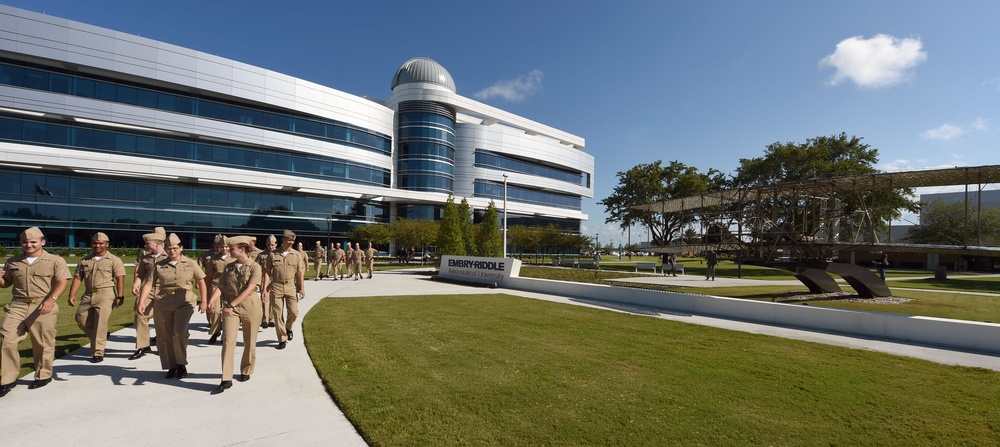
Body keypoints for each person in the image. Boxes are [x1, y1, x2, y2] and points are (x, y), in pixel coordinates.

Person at [0, 227, 71, 397]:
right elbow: (6, 283)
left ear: (42, 242)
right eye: (25, 242)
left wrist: (51, 300)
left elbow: (62, 282)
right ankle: (7, 379)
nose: (29, 245)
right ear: (21, 243)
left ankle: (43, 375)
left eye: (33, 242)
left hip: (42, 305)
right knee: (6, 339)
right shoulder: (13, 261)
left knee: (42, 342)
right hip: (17, 305)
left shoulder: (55, 260)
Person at [137, 233, 208, 379]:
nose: (172, 251)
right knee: (164, 336)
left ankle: (181, 363)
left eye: (175, 248)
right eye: (169, 248)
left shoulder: (190, 263)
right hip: (163, 301)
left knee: (179, 333)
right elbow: (149, 283)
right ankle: (171, 365)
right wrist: (141, 301)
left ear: (181, 248)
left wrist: (204, 301)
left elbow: (201, 281)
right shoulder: (159, 265)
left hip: (185, 301)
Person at [209, 236, 263, 394]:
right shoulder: (229, 267)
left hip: (250, 306)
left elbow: (250, 289)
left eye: (231, 248)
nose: (227, 250)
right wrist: (212, 300)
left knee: (249, 341)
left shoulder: (255, 267)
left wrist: (231, 304)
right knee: (228, 341)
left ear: (242, 249)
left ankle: (246, 370)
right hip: (231, 308)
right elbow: (221, 286)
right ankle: (226, 378)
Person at [68, 232, 126, 363]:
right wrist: (72, 294)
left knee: (100, 323)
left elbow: (119, 278)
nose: (97, 245)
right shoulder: (85, 260)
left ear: (107, 244)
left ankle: (97, 352)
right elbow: (78, 278)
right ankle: (102, 336)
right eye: (95, 243)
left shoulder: (114, 260)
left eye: (101, 243)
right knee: (81, 319)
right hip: (88, 294)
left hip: (105, 294)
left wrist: (120, 296)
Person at [262, 230, 305, 350]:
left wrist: (302, 288)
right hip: (276, 286)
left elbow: (300, 273)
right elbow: (266, 273)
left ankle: (288, 328)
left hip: (291, 285)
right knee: (277, 314)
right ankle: (282, 338)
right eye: (289, 240)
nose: (291, 242)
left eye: (293, 240)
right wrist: (264, 289)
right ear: (283, 240)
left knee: (293, 312)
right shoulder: (272, 254)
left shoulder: (297, 255)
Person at [130, 228, 166, 360]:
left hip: (165, 291)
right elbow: (140, 273)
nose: (145, 246)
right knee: (140, 314)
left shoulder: (170, 256)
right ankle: (143, 345)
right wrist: (136, 283)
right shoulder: (146, 258)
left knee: (163, 320)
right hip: (148, 290)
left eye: (147, 243)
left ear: (157, 244)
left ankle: (163, 347)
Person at [198, 234, 234, 345]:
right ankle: (215, 331)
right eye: (222, 246)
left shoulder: (234, 258)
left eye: (227, 247)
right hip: (216, 285)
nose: (224, 249)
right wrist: (207, 290)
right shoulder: (213, 258)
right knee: (215, 311)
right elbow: (208, 275)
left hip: (229, 287)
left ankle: (225, 335)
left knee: (227, 311)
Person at [256, 235, 276, 329]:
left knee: (273, 299)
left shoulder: (277, 254)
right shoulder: (261, 255)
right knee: (264, 299)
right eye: (268, 245)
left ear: (276, 244)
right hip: (264, 279)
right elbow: (256, 267)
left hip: (275, 280)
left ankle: (272, 319)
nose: (270, 247)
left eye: (272, 245)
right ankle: (265, 319)